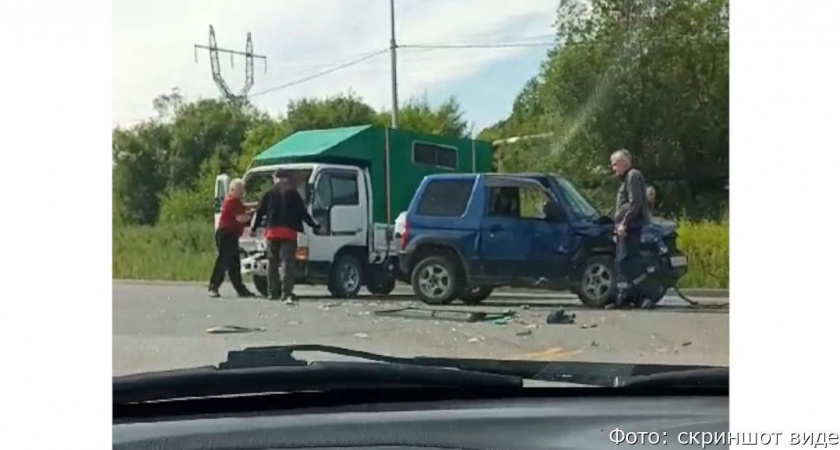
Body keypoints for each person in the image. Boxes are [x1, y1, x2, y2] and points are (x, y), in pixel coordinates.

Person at [251, 169, 319, 303]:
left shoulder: (269, 193)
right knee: (288, 263)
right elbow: (303, 213)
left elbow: (259, 212)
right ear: (287, 179)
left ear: (276, 178)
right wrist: (315, 226)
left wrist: (254, 228)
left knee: (272, 262)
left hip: (272, 232)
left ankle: (272, 292)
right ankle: (286, 293)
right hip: (289, 233)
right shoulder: (294, 194)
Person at [609, 149, 651, 309]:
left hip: (631, 227)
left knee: (625, 261)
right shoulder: (626, 179)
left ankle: (640, 296)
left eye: (615, 164)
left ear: (624, 163)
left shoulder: (633, 176)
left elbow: (635, 203)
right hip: (626, 227)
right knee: (623, 262)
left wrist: (624, 224)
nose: (613, 168)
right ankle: (625, 297)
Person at [208, 179, 256, 298]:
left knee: (234, 263)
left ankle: (240, 289)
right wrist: (252, 214)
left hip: (232, 235)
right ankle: (213, 286)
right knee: (223, 261)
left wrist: (254, 205)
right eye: (240, 190)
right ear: (232, 190)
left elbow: (243, 207)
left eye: (242, 189)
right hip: (226, 234)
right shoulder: (232, 201)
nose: (242, 192)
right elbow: (240, 218)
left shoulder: (236, 201)